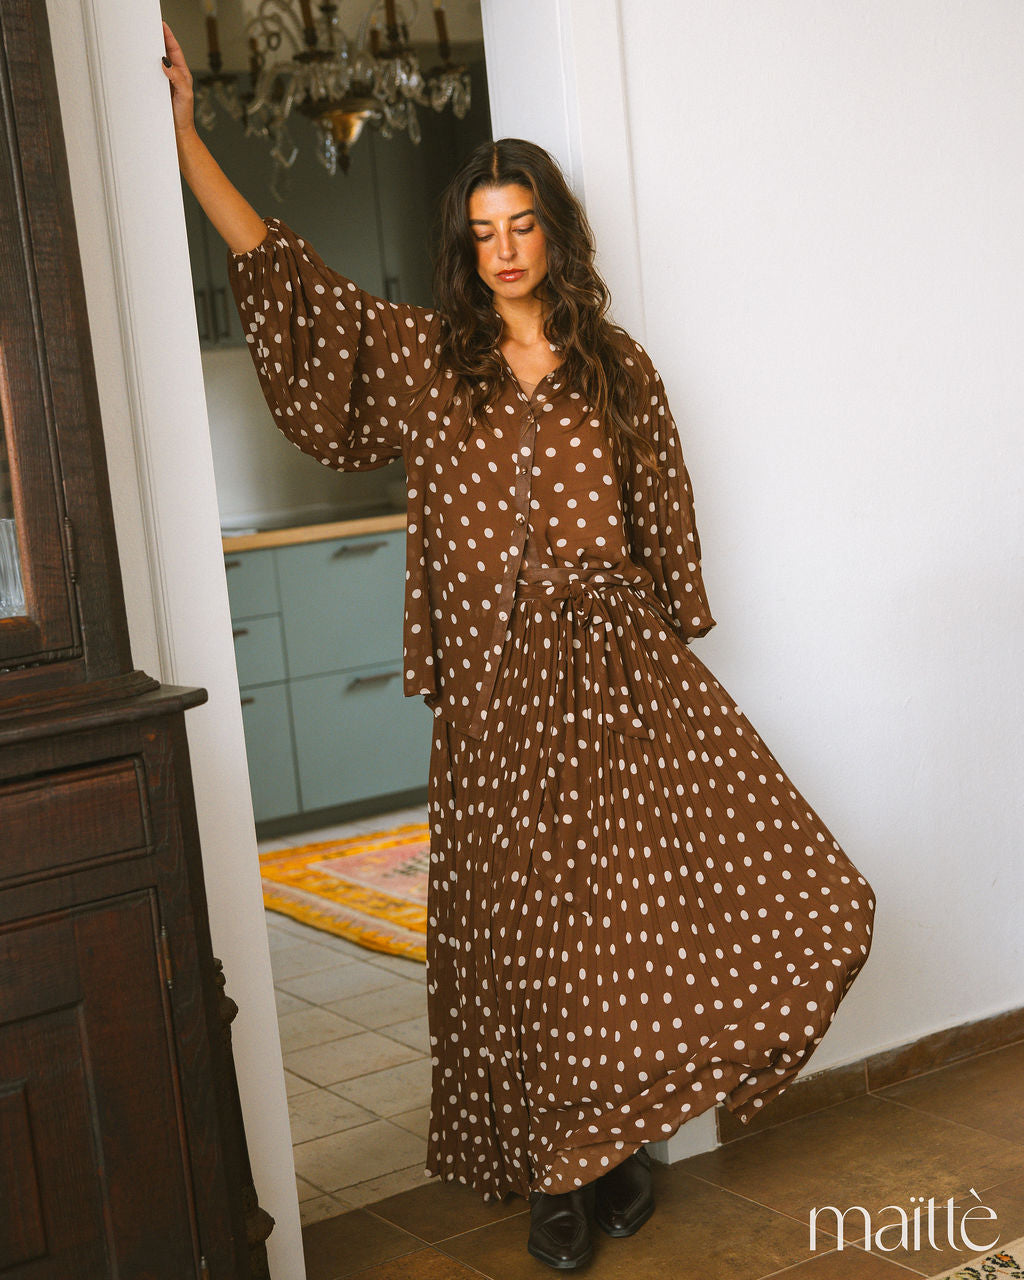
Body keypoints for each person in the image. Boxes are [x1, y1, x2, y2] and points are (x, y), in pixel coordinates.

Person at [163, 20, 877, 1272]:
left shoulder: (619, 370)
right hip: (496, 699)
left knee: (638, 919)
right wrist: (183, 137)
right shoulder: (427, 362)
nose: (501, 250)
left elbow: (664, 526)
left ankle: (618, 1136)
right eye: (482, 231)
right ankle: (559, 1164)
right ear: (464, 245)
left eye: (522, 226)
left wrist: (665, 661)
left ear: (555, 234)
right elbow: (291, 281)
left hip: (619, 682)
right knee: (527, 937)